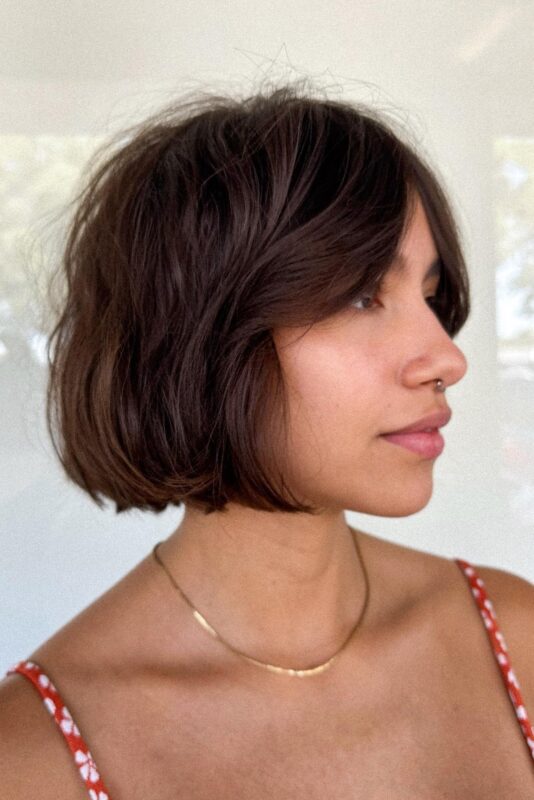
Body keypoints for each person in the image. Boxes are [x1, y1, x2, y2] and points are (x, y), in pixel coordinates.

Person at [1, 80, 533, 798]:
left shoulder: (516, 639)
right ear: (199, 337)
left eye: (430, 297)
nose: (447, 357)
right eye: (361, 296)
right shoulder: (33, 760)